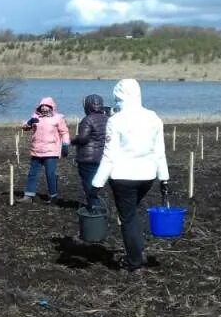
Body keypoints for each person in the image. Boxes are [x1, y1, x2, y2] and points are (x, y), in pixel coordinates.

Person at [92, 79, 170, 274]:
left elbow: (109, 155)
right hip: (147, 177)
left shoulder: (116, 121)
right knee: (132, 214)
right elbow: (159, 152)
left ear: (117, 96)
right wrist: (164, 179)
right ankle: (138, 250)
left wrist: (96, 183)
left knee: (127, 218)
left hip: (123, 177)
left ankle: (134, 262)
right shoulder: (153, 118)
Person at [18, 96, 70, 204]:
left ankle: (53, 196)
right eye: (42, 106)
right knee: (32, 173)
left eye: (46, 107)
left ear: (51, 107)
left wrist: (65, 144)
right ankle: (28, 196)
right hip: (36, 150)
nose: (44, 109)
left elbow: (64, 132)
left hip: (51, 151)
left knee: (50, 174)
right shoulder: (35, 117)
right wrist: (29, 122)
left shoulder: (58, 118)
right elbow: (25, 128)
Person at [69, 94, 109, 212]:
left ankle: (95, 209)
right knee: (97, 183)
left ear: (87, 106)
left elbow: (83, 138)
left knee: (89, 185)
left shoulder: (87, 120)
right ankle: (96, 206)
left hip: (88, 158)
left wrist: (73, 140)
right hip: (103, 156)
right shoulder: (107, 119)